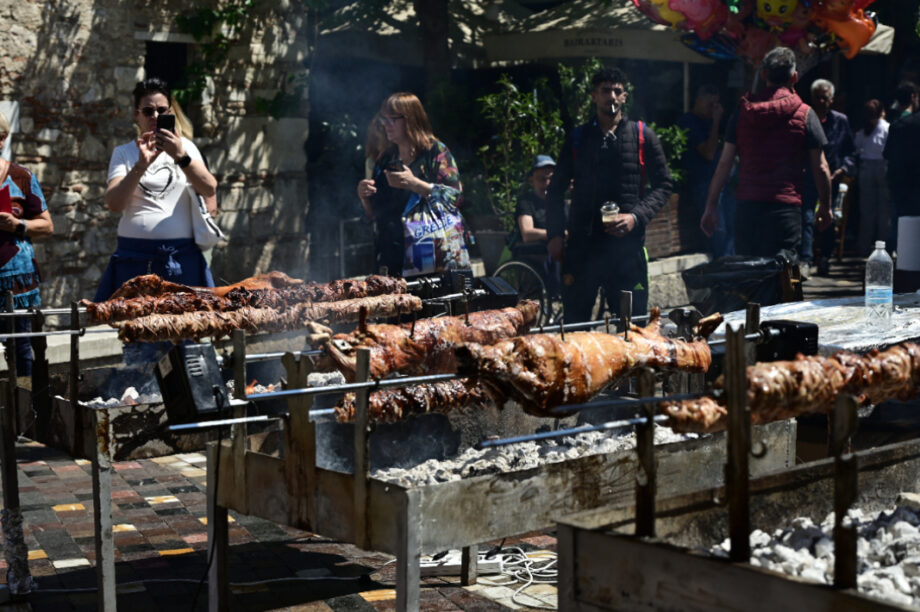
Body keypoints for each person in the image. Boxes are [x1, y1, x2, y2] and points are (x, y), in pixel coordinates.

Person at [546, 66, 673, 323]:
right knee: (575, 328)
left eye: (617, 91)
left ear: (625, 97)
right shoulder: (578, 139)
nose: (612, 97)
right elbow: (555, 190)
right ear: (594, 96)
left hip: (626, 252)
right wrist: (555, 235)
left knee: (631, 328)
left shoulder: (642, 135)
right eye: (606, 91)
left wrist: (636, 217)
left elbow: (664, 185)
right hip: (582, 250)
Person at [701, 47, 832, 260]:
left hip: (747, 210)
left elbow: (724, 163)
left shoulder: (742, 113)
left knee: (750, 279)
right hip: (785, 211)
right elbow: (821, 167)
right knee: (783, 279)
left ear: (763, 75)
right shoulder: (806, 114)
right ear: (795, 77)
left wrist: (710, 206)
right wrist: (825, 206)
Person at [95, 78, 218, 302]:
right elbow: (114, 204)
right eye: (148, 111)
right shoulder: (124, 153)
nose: (154, 117)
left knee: (184, 328)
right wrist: (141, 165)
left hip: (180, 255)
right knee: (139, 328)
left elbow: (209, 188)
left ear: (170, 112)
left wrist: (180, 156)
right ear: (137, 114)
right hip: (134, 255)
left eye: (161, 111)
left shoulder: (187, 148)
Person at [357, 93, 462, 276]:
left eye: (393, 119)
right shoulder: (385, 158)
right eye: (384, 118)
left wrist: (416, 184)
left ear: (411, 119)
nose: (386, 124)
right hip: (390, 257)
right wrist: (364, 197)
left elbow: (455, 197)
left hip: (430, 259)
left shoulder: (435, 152)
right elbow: (374, 214)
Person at [0, 111, 53, 376]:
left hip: (17, 285)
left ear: (1, 139)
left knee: (23, 352)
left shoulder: (22, 177)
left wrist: (17, 225)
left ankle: (24, 412)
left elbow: (46, 225)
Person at [802, 79, 856, 275]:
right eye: (817, 97)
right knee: (806, 216)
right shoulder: (806, 117)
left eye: (825, 98)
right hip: (809, 176)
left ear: (831, 99)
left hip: (832, 178)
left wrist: (842, 169)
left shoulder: (840, 121)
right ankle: (806, 259)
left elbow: (851, 152)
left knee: (829, 218)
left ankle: (825, 256)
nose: (821, 101)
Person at [678, 84, 735, 257]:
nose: (713, 109)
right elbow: (709, 153)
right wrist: (716, 121)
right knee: (719, 230)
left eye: (716, 105)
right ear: (698, 100)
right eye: (710, 105)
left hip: (721, 184)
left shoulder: (711, 121)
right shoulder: (688, 121)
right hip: (703, 184)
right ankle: (722, 268)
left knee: (732, 227)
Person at [884, 82, 920, 252]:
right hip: (914, 183)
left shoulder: (897, 125)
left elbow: (887, 154)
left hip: (899, 183)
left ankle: (900, 256)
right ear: (913, 97)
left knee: (899, 221)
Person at [854, 99, 890, 256]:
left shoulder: (863, 131)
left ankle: (864, 247)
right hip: (882, 167)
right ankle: (885, 247)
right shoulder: (887, 128)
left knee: (867, 210)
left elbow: (856, 149)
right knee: (884, 210)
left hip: (866, 168)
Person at [512, 154, 555, 268]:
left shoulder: (560, 203)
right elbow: (527, 234)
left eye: (551, 178)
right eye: (542, 179)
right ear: (532, 180)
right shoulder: (525, 202)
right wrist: (557, 234)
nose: (547, 183)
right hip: (534, 254)